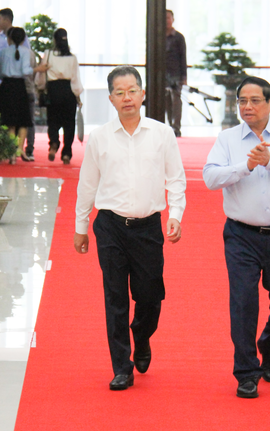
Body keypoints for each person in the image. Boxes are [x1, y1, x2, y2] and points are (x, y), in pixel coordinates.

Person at [74, 65, 186, 391]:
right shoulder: (100, 138)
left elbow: (176, 179)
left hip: (148, 227)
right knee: (115, 297)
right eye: (120, 93)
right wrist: (82, 226)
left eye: (132, 91)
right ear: (111, 98)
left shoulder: (162, 134)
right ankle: (121, 367)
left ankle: (142, 334)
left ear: (143, 94)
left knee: (150, 296)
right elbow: (87, 184)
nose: (127, 98)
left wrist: (175, 214)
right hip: (110, 226)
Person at [203, 76, 270, 399]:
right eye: (242, 101)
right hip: (241, 236)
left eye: (254, 100)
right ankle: (247, 372)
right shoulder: (227, 139)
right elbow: (210, 177)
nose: (247, 107)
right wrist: (245, 166)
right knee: (243, 304)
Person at [39, 28, 83, 164]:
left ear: (54, 40)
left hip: (53, 91)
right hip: (68, 91)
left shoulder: (48, 54)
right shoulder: (72, 58)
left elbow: (42, 75)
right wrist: (78, 96)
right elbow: (75, 79)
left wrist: (40, 88)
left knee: (52, 121)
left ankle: (53, 143)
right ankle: (66, 153)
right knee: (69, 123)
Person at [0, 27, 35, 163]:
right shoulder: (26, 52)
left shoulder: (4, 52)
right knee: (23, 121)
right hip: (20, 87)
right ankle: (19, 148)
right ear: (24, 39)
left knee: (9, 122)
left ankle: (11, 152)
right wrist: (35, 69)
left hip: (6, 87)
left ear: (9, 38)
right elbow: (25, 70)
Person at [165, 9, 187, 138]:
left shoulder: (179, 37)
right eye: (165, 18)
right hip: (162, 75)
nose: (167, 20)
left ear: (173, 19)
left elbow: (183, 57)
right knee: (166, 101)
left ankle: (176, 128)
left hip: (176, 74)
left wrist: (184, 77)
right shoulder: (157, 37)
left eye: (169, 18)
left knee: (176, 101)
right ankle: (169, 126)